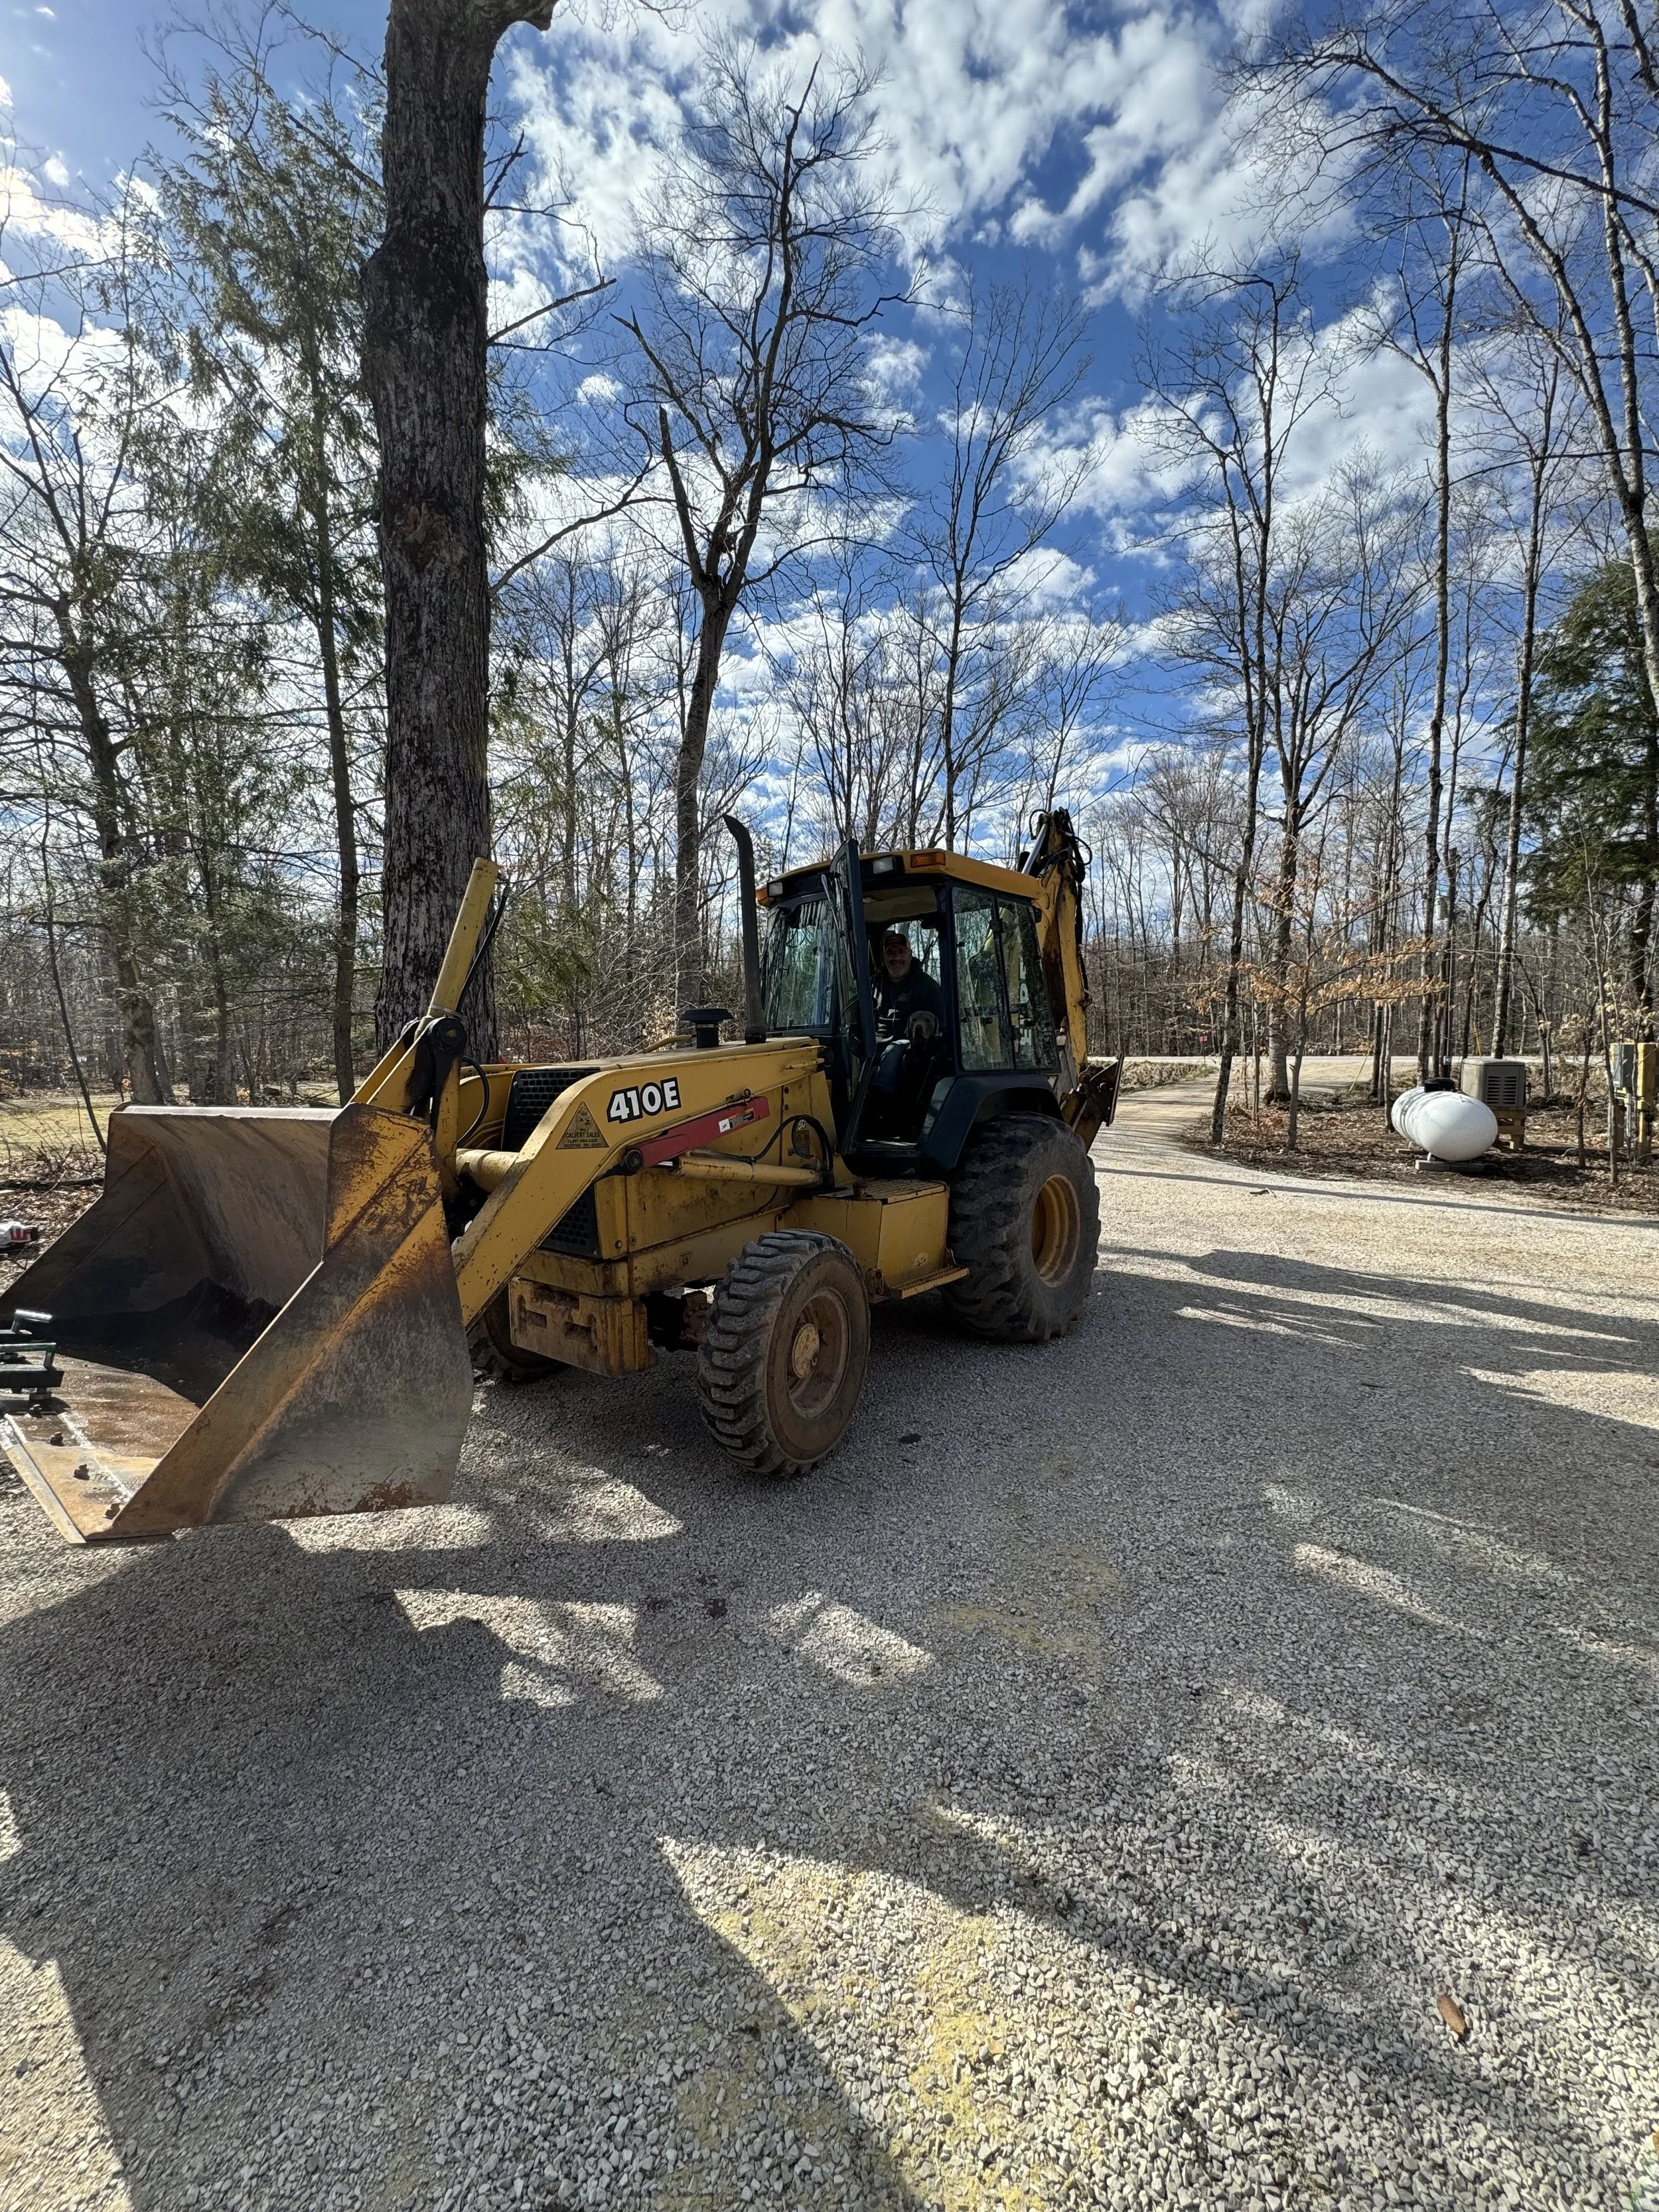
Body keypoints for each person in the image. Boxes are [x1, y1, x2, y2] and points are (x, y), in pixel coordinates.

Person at [874, 928, 944, 1045]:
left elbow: (938, 1029)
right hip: (873, 1045)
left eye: (901, 952)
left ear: (910, 954)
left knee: (892, 1057)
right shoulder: (873, 984)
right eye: (891, 953)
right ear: (883, 956)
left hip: (907, 1046)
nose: (896, 958)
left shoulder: (927, 987)